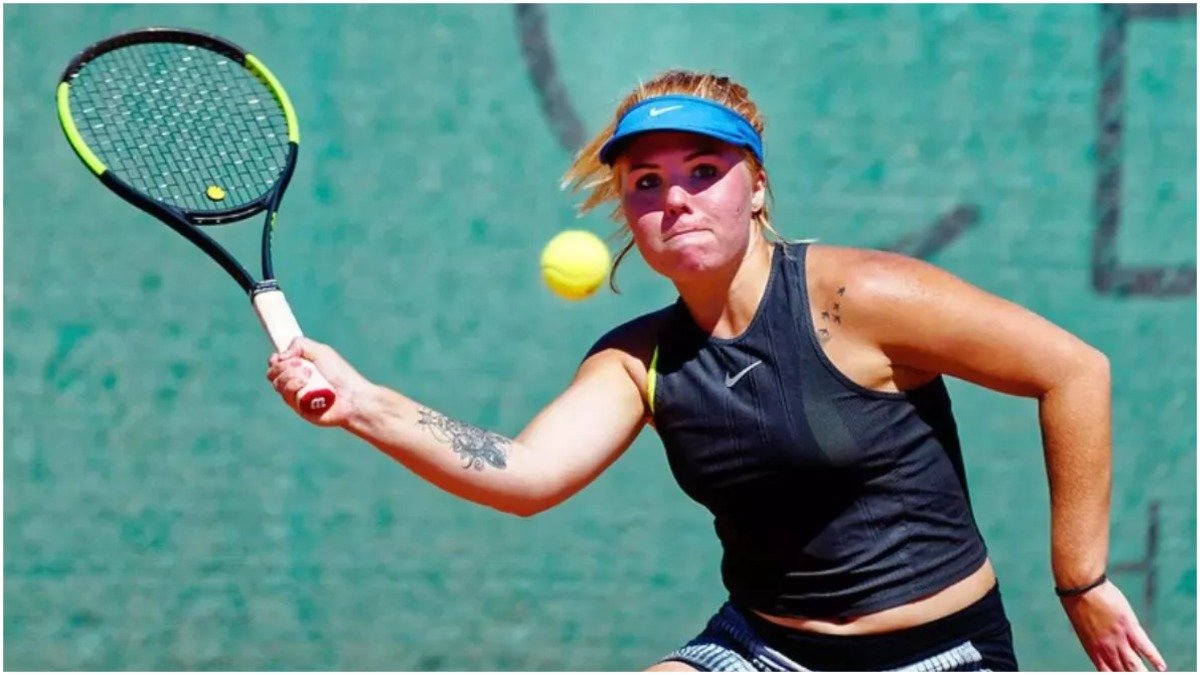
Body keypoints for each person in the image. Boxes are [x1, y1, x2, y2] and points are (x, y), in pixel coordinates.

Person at [266, 69, 1165, 672]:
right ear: (628, 211)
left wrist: (1080, 580)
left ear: (757, 186)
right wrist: (362, 402)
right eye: (646, 182)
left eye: (704, 169)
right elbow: (526, 473)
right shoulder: (638, 359)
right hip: (762, 649)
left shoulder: (860, 295)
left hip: (937, 654)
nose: (676, 198)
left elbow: (1072, 369)